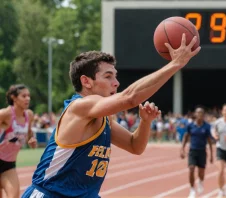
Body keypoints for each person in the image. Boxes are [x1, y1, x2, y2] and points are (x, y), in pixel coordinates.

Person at [22, 34, 201, 198]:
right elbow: (129, 97)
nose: (116, 83)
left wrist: (145, 122)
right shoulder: (81, 107)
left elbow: (134, 146)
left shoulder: (105, 118)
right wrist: (175, 64)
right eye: (108, 77)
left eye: (115, 76)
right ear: (86, 81)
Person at [0, 84, 37, 198]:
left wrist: (31, 139)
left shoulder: (29, 115)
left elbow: (29, 133)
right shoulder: (5, 114)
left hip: (8, 165)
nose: (28, 98)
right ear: (14, 98)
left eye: (28, 96)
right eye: (24, 96)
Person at [180, 106, 213, 198]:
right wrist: (182, 149)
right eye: (198, 113)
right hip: (192, 151)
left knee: (201, 172)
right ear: (195, 114)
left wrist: (211, 155)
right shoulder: (190, 125)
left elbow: (209, 141)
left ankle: (201, 182)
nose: (199, 115)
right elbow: (186, 137)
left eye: (201, 113)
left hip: (202, 151)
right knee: (191, 169)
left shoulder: (207, 126)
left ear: (203, 115)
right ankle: (192, 190)